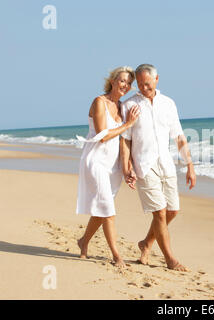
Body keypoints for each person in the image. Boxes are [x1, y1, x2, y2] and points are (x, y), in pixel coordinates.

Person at [120, 64, 196, 272]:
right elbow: (125, 140)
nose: (144, 88)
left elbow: (179, 137)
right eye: (140, 84)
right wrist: (127, 166)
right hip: (144, 165)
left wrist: (190, 165)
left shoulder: (168, 104)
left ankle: (146, 243)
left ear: (157, 80)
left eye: (148, 84)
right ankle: (170, 259)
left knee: (172, 210)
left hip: (166, 163)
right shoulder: (129, 105)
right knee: (160, 213)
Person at [76, 66, 140, 267]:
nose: (126, 85)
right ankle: (116, 256)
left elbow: (122, 142)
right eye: (122, 81)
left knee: (102, 208)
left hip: (113, 166)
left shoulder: (122, 107)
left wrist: (127, 167)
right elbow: (103, 136)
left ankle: (83, 241)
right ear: (112, 81)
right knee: (108, 210)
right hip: (95, 161)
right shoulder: (99, 102)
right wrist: (128, 124)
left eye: (129, 83)